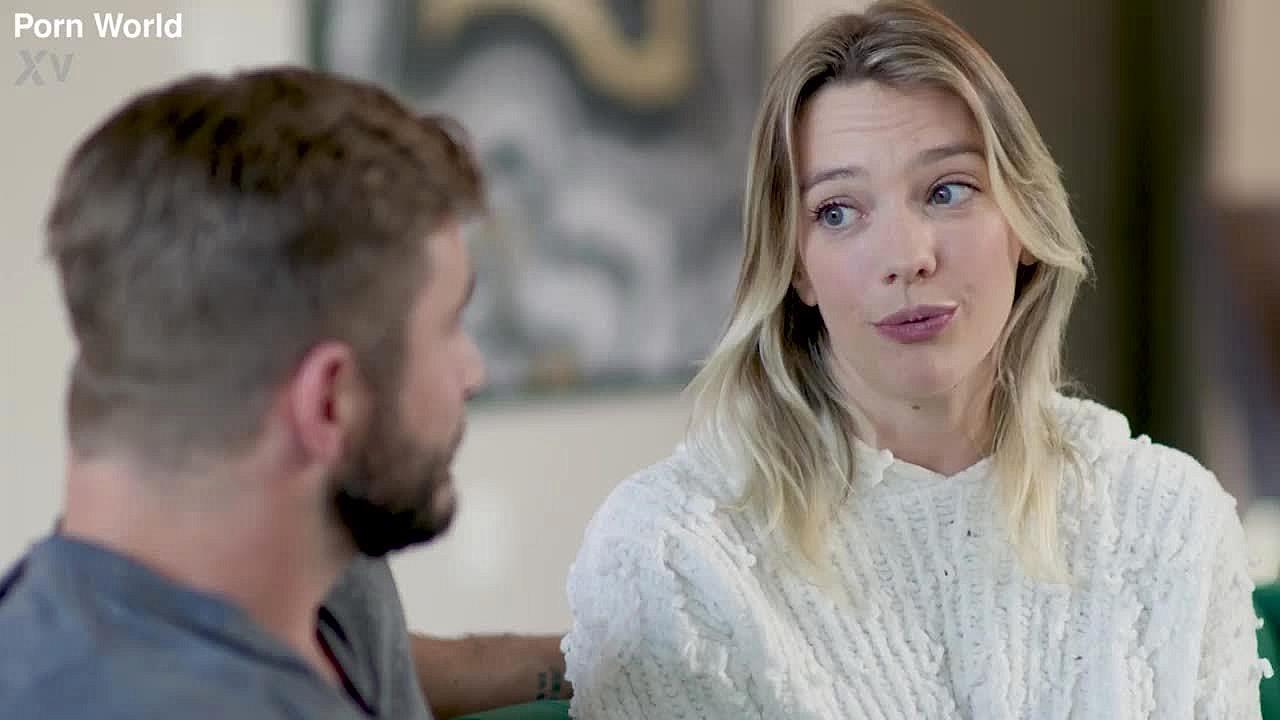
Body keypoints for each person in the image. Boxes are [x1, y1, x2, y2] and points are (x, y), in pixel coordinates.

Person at [561, 1, 1270, 717]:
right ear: (797, 266)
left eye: (946, 192)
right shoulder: (676, 552)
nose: (906, 257)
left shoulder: (1168, 520)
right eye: (838, 211)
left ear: (1023, 223)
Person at [0, 65, 564, 719]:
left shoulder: (316, 574)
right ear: (329, 402)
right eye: (450, 326)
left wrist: (603, 657)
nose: (472, 372)